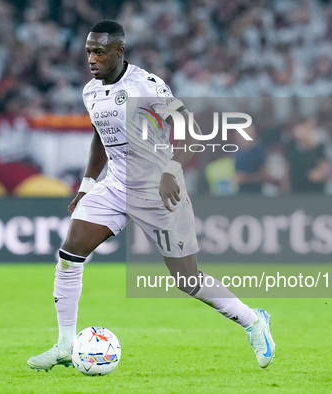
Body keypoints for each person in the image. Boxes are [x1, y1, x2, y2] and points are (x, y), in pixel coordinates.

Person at [27, 20, 275, 371]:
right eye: (88, 53)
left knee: (187, 279)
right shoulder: (91, 91)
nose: (92, 59)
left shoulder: (147, 86)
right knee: (70, 254)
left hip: (158, 191)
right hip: (114, 186)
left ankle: (254, 321)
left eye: (99, 52)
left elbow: (190, 129)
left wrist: (172, 170)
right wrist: (87, 184)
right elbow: (101, 135)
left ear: (119, 51)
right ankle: (65, 345)